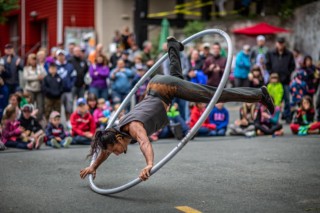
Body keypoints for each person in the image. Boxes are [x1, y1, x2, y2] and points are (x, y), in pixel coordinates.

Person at [80, 37, 274, 181]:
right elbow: (105, 150)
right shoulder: (115, 132)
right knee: (177, 75)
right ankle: (173, 46)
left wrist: (149, 164)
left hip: (164, 89)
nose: (116, 153)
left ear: (119, 139)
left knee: (214, 95)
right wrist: (93, 166)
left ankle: (258, 94)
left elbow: (145, 143)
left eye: (115, 149)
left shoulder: (132, 128)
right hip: (159, 88)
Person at [266, 37, 295, 123]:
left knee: (287, 99)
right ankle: (272, 115)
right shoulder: (271, 53)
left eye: (282, 43)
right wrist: (272, 74)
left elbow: (292, 66)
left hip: (285, 80)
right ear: (276, 43)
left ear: (284, 44)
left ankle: (287, 116)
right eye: (279, 43)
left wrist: (287, 74)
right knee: (272, 99)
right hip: (274, 80)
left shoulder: (289, 54)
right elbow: (267, 64)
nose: (280, 45)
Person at [23, 53, 46, 120]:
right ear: (29, 61)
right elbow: (26, 77)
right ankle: (29, 119)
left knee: (40, 106)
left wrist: (40, 77)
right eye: (32, 60)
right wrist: (37, 77)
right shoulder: (26, 68)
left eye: (35, 59)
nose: (34, 61)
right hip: (30, 90)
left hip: (39, 90)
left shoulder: (40, 67)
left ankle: (38, 120)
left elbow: (45, 75)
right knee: (30, 105)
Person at [55, 49, 77, 123]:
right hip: (58, 91)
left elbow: (74, 76)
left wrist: (70, 85)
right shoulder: (54, 66)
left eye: (62, 55)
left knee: (69, 108)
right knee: (57, 109)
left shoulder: (69, 66)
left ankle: (69, 123)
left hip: (68, 91)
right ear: (57, 56)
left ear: (64, 56)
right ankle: (57, 124)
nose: (61, 57)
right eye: (59, 55)